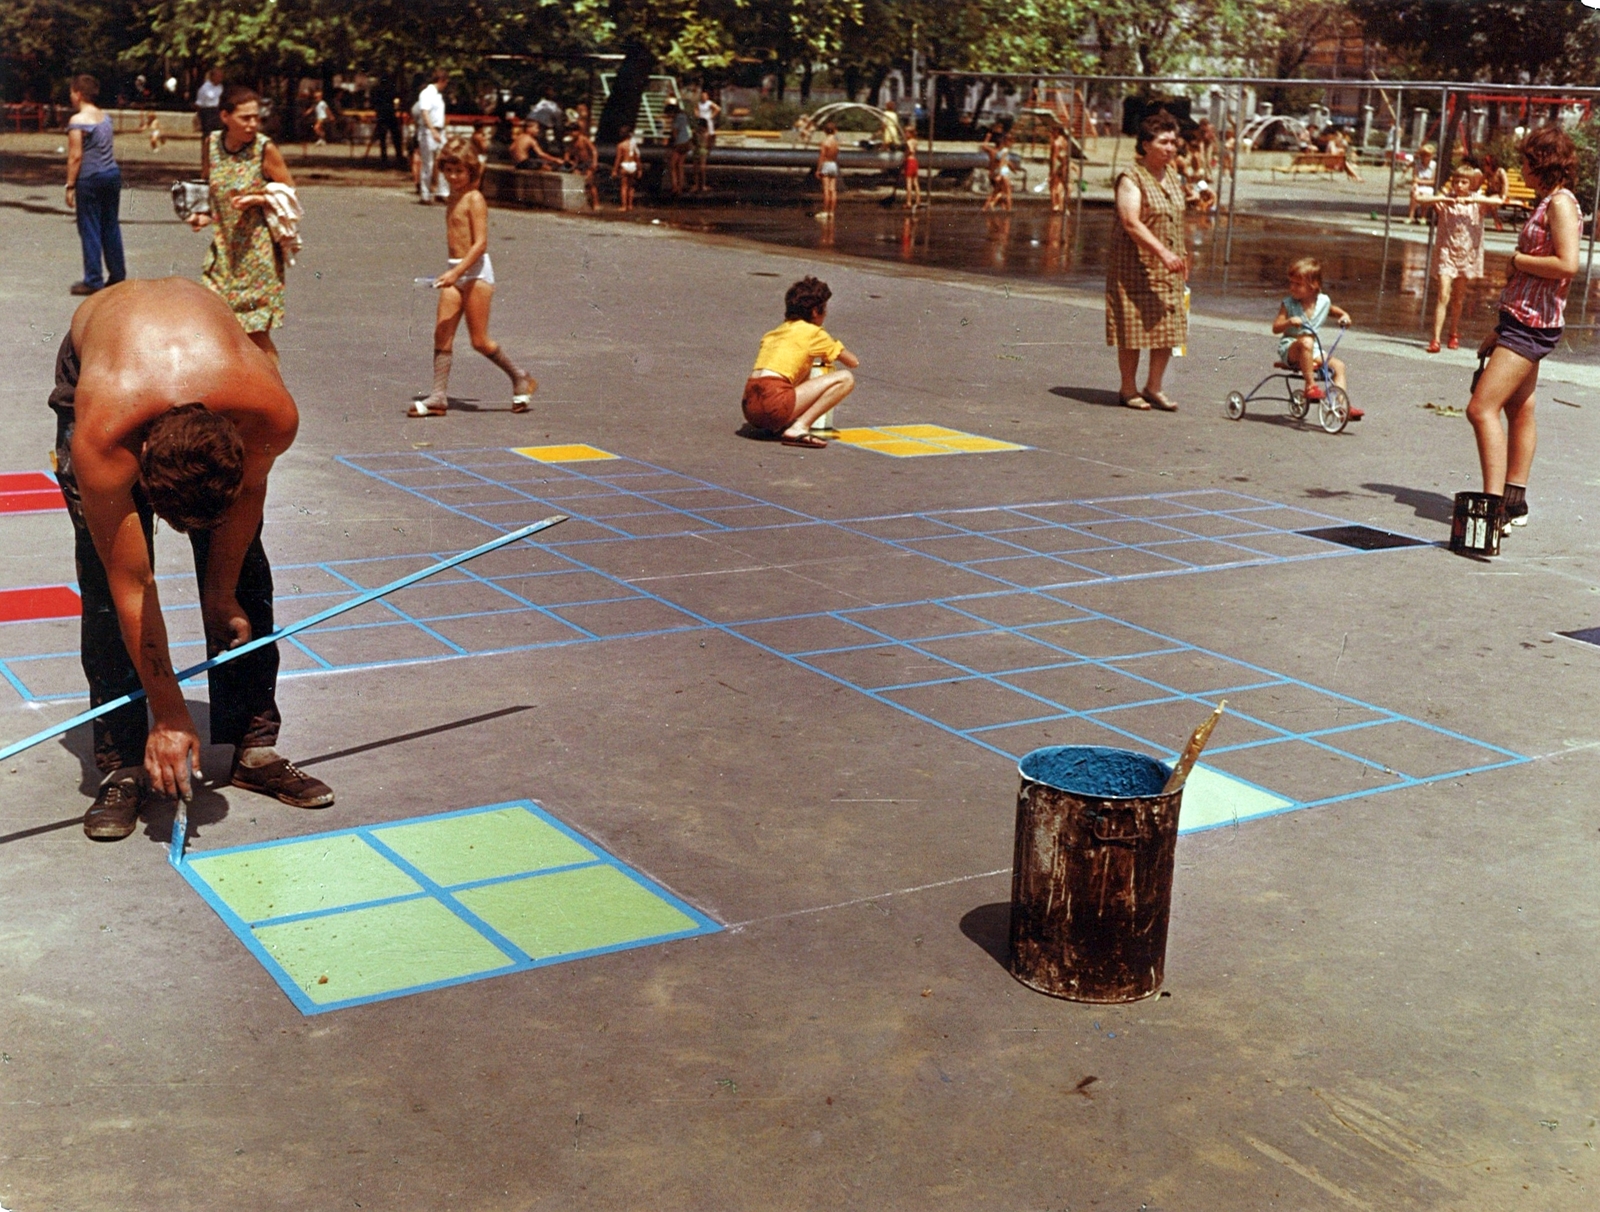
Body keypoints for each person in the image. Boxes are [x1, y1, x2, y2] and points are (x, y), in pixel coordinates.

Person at [49, 278, 335, 839]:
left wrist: (220, 593)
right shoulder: (105, 437)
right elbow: (135, 582)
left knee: (244, 564)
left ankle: (252, 748)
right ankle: (124, 765)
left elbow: (248, 498)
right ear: (145, 458)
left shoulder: (268, 414)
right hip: (104, 359)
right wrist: (171, 714)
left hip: (206, 354)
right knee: (108, 587)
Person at [1467, 125, 1582, 536]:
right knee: (1520, 408)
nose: (1522, 169)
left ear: (1543, 164)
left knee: (1481, 409)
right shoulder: (1548, 201)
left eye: (1527, 162)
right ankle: (1514, 502)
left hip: (1532, 325)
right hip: (1520, 319)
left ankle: (1492, 507)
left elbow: (1568, 265)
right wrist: (1500, 330)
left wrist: (1518, 260)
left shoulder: (1562, 206)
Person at [410, 138, 537, 418]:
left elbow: (480, 244)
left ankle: (520, 377)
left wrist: (457, 272)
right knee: (442, 333)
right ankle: (439, 396)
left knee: (479, 341)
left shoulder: (474, 199)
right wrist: (453, 271)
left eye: (459, 171)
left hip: (476, 272)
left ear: (471, 170)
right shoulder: (452, 197)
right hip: (455, 271)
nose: (453, 177)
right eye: (449, 171)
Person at [187, 85, 297, 364]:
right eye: (245, 118)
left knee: (255, 334)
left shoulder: (264, 148)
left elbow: (288, 191)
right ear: (225, 116)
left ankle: (273, 396)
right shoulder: (211, 144)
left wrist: (257, 199)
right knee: (214, 322)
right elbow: (207, 185)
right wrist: (202, 214)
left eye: (256, 118)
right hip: (223, 255)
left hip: (257, 257)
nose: (253, 124)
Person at [1106, 110, 1188, 411]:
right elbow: (1131, 222)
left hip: (1169, 267)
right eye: (1164, 142)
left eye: (1173, 143)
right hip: (1135, 265)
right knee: (1133, 329)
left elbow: (1177, 220)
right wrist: (1163, 252)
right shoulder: (1131, 178)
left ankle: (1154, 387)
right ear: (1145, 144)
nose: (1170, 148)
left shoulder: (1173, 176)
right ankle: (1128, 389)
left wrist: (1182, 255)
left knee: (1168, 327)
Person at [741, 276, 859, 449]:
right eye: (824, 309)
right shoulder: (813, 333)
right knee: (846, 378)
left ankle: (782, 424)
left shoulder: (775, 332)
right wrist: (832, 345)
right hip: (774, 404)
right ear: (814, 312)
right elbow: (852, 362)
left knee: (805, 365)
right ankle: (800, 426)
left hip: (750, 407)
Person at [1417, 164, 1499, 353]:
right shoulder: (1446, 201)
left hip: (1466, 254)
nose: (1459, 185)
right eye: (1456, 182)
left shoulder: (1477, 202)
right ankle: (1435, 338)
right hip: (1447, 253)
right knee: (1443, 294)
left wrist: (1475, 200)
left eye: (1464, 182)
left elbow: (1499, 201)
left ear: (1471, 184)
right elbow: (1421, 199)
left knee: (1458, 298)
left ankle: (1453, 331)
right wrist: (1443, 197)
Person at [1272, 256, 1360, 419]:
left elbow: (1333, 310)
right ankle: (1310, 386)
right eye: (1291, 283)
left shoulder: (1323, 301)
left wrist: (1344, 315)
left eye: (1298, 284)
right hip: (1291, 347)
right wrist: (1289, 322)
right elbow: (1275, 328)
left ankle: (1341, 405)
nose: (1292, 288)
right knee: (1306, 341)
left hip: (1313, 348)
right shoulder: (1289, 304)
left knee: (1338, 366)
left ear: (1314, 286)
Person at [63, 74, 125, 298]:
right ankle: (117, 274)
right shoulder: (105, 118)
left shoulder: (77, 121)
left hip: (90, 178)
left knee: (89, 227)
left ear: (78, 94)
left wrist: (70, 185)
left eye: (71, 92)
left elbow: (75, 156)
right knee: (110, 225)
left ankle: (93, 279)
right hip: (111, 174)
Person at [413, 70, 449, 203]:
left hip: (440, 130)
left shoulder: (438, 96)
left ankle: (442, 191)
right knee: (428, 163)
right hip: (428, 131)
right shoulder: (426, 93)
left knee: (443, 161)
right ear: (441, 80)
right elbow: (425, 113)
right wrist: (432, 130)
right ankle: (425, 193)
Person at [367, 71, 404, 168]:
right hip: (390, 113)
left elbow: (372, 101)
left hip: (381, 114)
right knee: (395, 136)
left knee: (383, 137)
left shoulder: (375, 89)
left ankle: (384, 156)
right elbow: (397, 97)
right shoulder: (390, 88)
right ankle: (398, 155)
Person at [195, 66, 224, 176]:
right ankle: (205, 166)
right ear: (212, 77)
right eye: (218, 76)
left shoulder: (221, 87)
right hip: (208, 114)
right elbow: (199, 104)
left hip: (218, 113)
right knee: (208, 139)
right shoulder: (204, 89)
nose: (220, 78)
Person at [568, 123, 599, 210]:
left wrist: (594, 162)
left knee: (590, 183)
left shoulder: (584, 139)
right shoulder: (572, 142)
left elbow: (594, 150)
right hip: (579, 164)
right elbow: (571, 153)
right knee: (576, 182)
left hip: (588, 162)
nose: (572, 133)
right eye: (571, 131)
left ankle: (596, 204)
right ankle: (580, 202)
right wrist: (570, 162)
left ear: (578, 131)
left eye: (574, 131)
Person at [695, 89, 720, 192]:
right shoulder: (699, 104)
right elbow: (696, 109)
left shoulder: (709, 104)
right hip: (702, 122)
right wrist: (698, 115)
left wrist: (711, 116)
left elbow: (717, 109)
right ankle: (699, 184)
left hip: (706, 122)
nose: (703, 97)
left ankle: (700, 184)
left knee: (700, 164)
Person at [665, 100, 693, 195]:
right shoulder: (684, 116)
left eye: (668, 114)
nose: (668, 117)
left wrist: (672, 143)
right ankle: (680, 186)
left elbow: (675, 133)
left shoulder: (676, 119)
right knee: (680, 166)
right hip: (687, 142)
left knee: (672, 165)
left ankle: (675, 186)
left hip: (679, 143)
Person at [1479, 149, 1510, 232]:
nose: (1484, 166)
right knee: (1481, 203)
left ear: (1490, 164)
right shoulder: (1487, 174)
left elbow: (1505, 184)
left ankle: (1497, 221)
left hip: (1499, 194)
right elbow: (1479, 183)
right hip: (1489, 194)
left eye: (1485, 165)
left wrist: (1503, 195)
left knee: (1492, 203)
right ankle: (1479, 223)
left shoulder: (1500, 171)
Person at [815, 121, 840, 220]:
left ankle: (825, 211)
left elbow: (822, 156)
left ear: (825, 131)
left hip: (826, 164)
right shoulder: (836, 142)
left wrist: (818, 169)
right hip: (834, 164)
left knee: (826, 189)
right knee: (833, 190)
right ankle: (831, 212)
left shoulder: (824, 142)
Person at [614, 125, 641, 212]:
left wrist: (614, 170)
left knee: (624, 186)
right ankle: (630, 205)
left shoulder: (621, 145)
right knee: (631, 186)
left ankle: (623, 205)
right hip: (632, 165)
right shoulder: (633, 144)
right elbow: (637, 157)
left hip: (625, 165)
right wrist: (639, 169)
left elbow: (618, 159)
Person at [1408, 142, 1437, 223]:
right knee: (1414, 193)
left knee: (1425, 194)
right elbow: (1414, 178)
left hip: (1428, 187)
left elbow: (1433, 181)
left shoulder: (1434, 165)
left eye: (1427, 155)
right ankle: (1411, 216)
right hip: (1418, 186)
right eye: (1423, 155)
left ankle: (1423, 216)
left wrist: (1420, 181)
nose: (1425, 157)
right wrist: (1415, 183)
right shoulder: (1417, 165)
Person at [1048, 123, 1071, 213]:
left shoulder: (1056, 143)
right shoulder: (1065, 141)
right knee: (1062, 186)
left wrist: (1052, 171)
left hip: (1057, 166)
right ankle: (1063, 206)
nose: (1052, 133)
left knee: (1053, 187)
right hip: (1064, 165)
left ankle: (1055, 206)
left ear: (1057, 131)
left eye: (1053, 131)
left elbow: (1054, 158)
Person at [903, 128, 921, 210]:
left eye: (906, 132)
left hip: (909, 161)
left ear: (910, 133)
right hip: (915, 161)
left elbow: (910, 150)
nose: (905, 134)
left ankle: (909, 202)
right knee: (916, 182)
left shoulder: (908, 142)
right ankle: (918, 200)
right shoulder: (915, 141)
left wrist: (905, 155)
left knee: (909, 182)